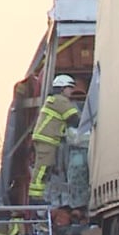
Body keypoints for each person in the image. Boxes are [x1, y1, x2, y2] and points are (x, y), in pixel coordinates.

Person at [29, 75, 80, 205]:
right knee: (42, 169)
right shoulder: (60, 101)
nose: (71, 91)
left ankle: (37, 196)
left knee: (45, 169)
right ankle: (34, 198)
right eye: (69, 88)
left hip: (46, 139)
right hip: (47, 139)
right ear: (62, 88)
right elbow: (74, 118)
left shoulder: (53, 100)